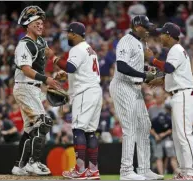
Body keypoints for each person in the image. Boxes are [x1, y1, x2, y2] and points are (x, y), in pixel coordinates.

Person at [109, 15, 163, 180]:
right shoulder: (126, 40)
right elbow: (122, 66)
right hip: (123, 86)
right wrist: (144, 75)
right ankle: (126, 171)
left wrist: (148, 70)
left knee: (144, 126)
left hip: (134, 87)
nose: (148, 30)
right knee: (130, 127)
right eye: (145, 26)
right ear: (137, 26)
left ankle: (144, 169)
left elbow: (134, 67)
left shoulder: (138, 43)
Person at [145, 22, 193, 180]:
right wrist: (161, 81)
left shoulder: (176, 49)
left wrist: (152, 60)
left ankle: (192, 172)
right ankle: (184, 171)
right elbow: (175, 73)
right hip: (180, 94)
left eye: (162, 34)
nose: (160, 36)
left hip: (184, 94)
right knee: (178, 136)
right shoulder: (176, 50)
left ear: (169, 35)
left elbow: (169, 68)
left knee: (184, 134)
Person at [11, 6, 60, 176]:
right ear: (28, 25)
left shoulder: (40, 41)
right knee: (44, 122)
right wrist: (47, 79)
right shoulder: (23, 45)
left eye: (42, 23)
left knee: (30, 129)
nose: (41, 25)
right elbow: (26, 69)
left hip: (33, 89)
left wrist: (56, 62)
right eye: (37, 23)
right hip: (24, 87)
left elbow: (48, 52)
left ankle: (19, 166)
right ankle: (34, 162)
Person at [52, 22, 102, 180]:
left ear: (75, 34)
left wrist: (53, 58)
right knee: (90, 131)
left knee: (78, 129)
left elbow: (71, 67)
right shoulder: (89, 50)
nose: (68, 35)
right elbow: (80, 71)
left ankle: (80, 170)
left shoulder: (77, 48)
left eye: (69, 33)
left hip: (84, 93)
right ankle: (93, 170)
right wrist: (65, 76)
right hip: (95, 91)